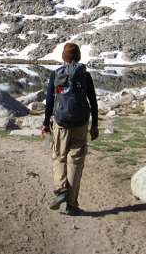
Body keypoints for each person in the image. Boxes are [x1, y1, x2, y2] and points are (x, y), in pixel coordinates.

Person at [41, 42, 98, 216]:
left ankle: (61, 190)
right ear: (78, 57)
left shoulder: (56, 75)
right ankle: (72, 205)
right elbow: (93, 102)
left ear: (63, 58)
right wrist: (94, 125)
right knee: (76, 162)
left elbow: (50, 102)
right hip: (81, 124)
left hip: (61, 124)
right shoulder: (85, 76)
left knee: (58, 157)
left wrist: (45, 123)